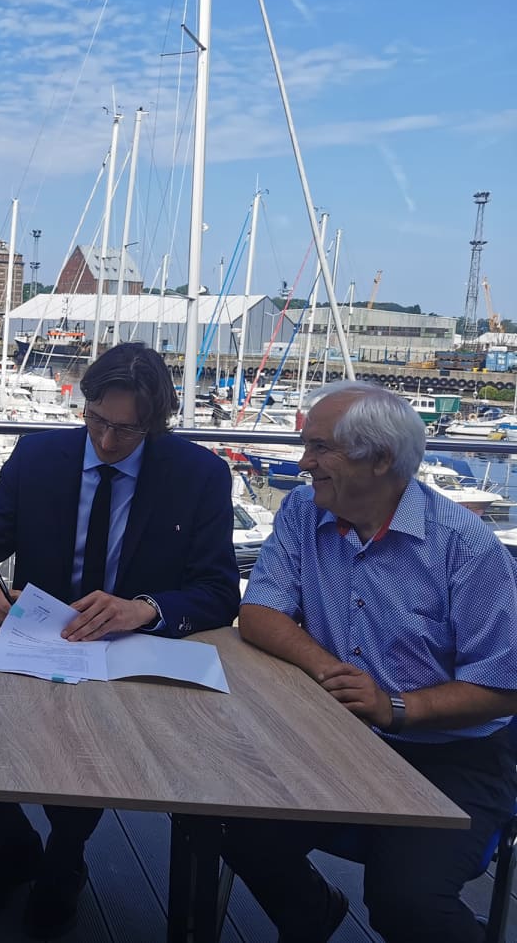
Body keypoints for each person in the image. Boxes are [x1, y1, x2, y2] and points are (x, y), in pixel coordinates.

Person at [0, 341, 240, 938]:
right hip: (36, 642)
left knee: (91, 743)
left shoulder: (198, 475)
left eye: (126, 430)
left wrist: (144, 609)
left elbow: (218, 592)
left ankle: (63, 858)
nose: (106, 441)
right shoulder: (38, 458)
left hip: (128, 656)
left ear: (154, 425)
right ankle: (14, 847)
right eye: (97, 420)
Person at [221, 381, 517, 943]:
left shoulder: (466, 548)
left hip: (454, 754)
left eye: (320, 448)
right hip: (338, 733)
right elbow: (260, 612)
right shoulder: (304, 512)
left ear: (380, 460)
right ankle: (311, 910)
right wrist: (328, 671)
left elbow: (503, 686)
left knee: (407, 902)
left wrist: (393, 707)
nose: (303, 463)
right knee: (231, 823)